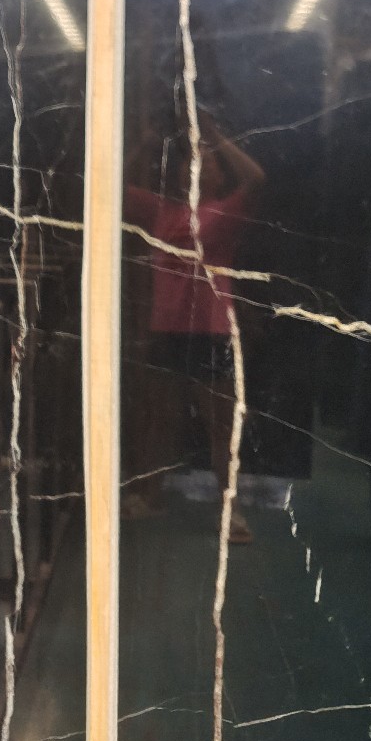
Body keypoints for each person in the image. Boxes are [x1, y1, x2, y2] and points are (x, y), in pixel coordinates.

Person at [123, 111, 264, 542]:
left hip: (212, 330)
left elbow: (256, 179)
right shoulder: (161, 210)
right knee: (158, 419)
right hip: (167, 329)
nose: (197, 166)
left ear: (218, 174)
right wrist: (146, 143)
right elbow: (111, 186)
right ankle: (150, 496)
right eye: (191, 160)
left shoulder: (227, 210)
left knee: (220, 426)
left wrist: (217, 136)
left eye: (208, 162)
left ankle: (231, 511)